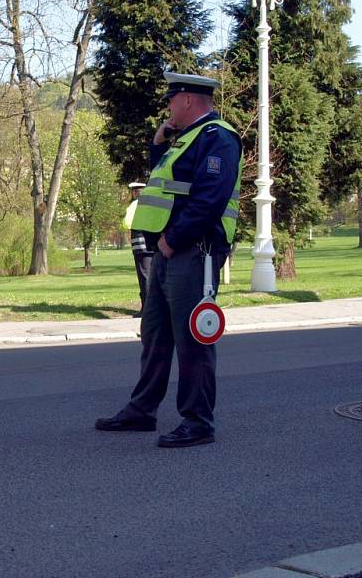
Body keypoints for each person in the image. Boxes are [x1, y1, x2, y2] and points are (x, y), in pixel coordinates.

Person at [95, 71, 242, 448]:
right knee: (155, 336)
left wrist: (173, 240)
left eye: (171, 99)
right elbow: (168, 186)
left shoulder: (217, 138)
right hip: (168, 250)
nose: (168, 106)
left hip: (193, 250)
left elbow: (209, 199)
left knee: (193, 338)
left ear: (189, 100)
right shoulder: (185, 141)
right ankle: (142, 410)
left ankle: (198, 421)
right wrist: (159, 146)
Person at [122, 181, 154, 317]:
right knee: (152, 276)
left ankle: (147, 309)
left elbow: (126, 223)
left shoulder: (135, 205)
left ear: (136, 192)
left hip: (140, 247)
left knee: (144, 277)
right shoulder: (152, 203)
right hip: (152, 246)